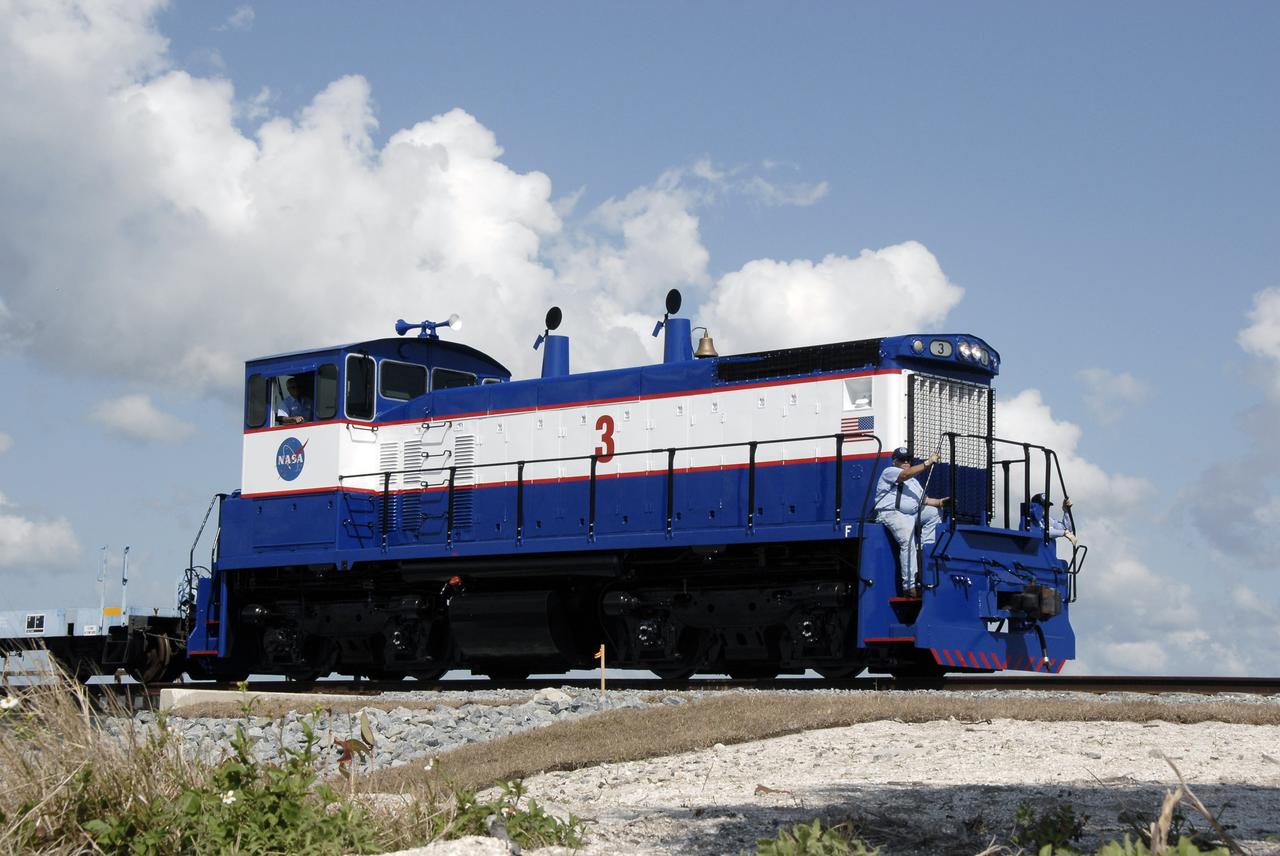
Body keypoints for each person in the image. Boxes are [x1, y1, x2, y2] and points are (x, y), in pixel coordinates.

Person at [874, 447, 949, 597]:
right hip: (891, 513)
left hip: (910, 514)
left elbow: (925, 501)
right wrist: (927, 463)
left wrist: (941, 502)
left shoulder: (913, 482)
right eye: (902, 459)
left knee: (934, 512)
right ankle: (909, 586)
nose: (906, 462)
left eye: (908, 459)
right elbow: (905, 474)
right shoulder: (889, 471)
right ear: (894, 461)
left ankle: (924, 550)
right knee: (908, 540)